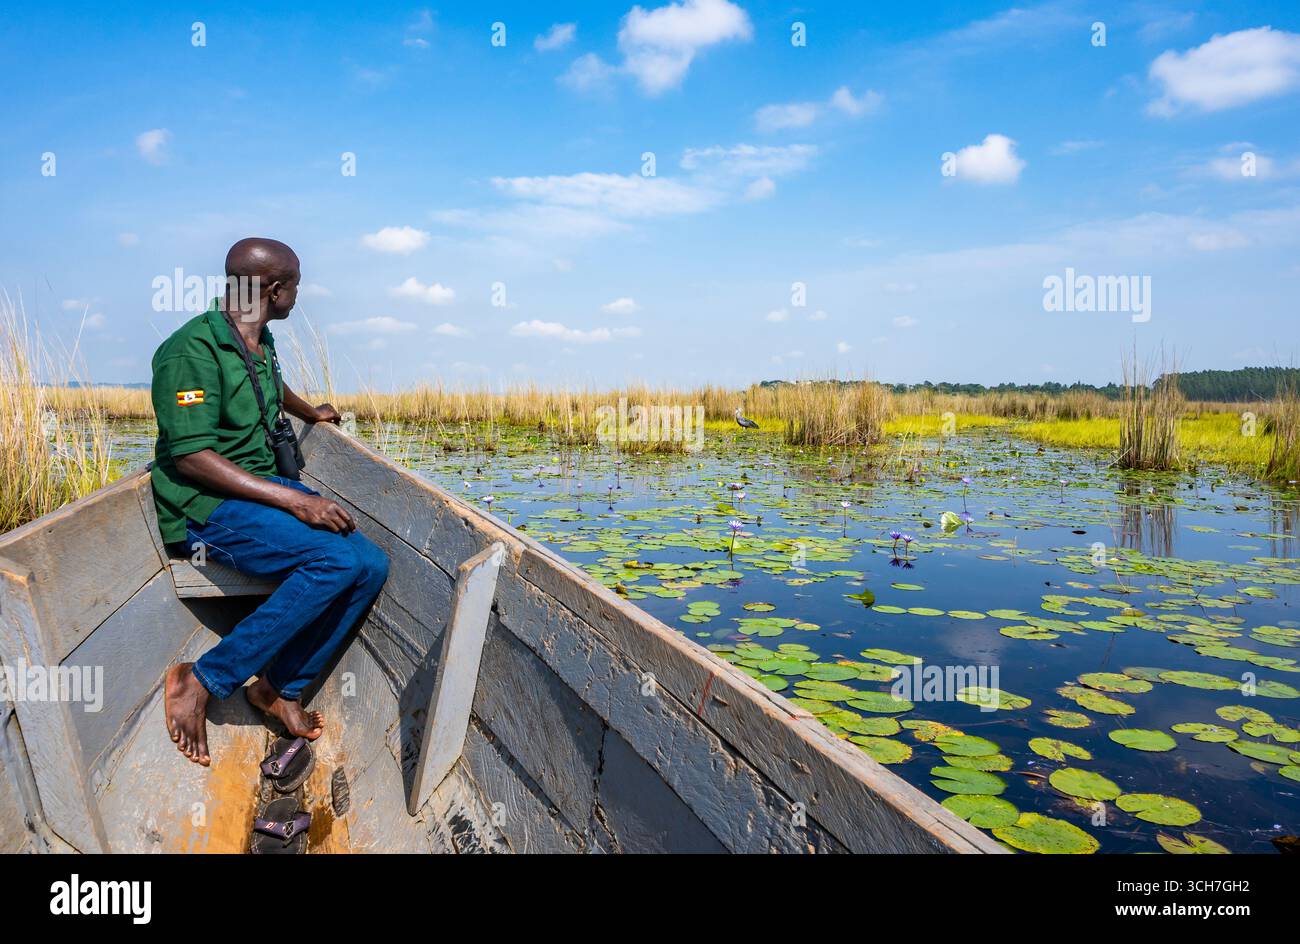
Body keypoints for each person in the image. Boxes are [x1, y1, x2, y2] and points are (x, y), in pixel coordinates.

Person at [152, 237, 389, 766]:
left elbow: (270, 386)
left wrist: (312, 412)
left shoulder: (257, 337)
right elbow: (190, 457)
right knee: (332, 560)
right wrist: (294, 500)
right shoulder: (191, 350)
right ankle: (202, 679)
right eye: (297, 286)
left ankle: (277, 687)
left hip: (255, 494)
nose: (299, 296)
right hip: (205, 507)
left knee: (370, 564)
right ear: (274, 289)